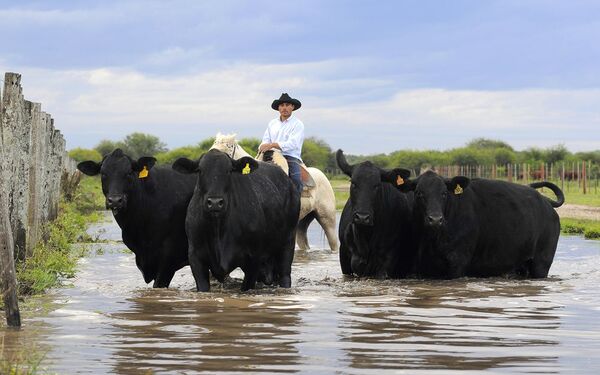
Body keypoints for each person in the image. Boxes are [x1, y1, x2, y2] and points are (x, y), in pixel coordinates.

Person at [259, 93, 305, 195]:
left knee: (296, 180)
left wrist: (273, 145)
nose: (284, 108)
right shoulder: (272, 123)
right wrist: (263, 146)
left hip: (290, 156)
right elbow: (266, 140)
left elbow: (293, 144)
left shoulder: (297, 124)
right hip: (271, 155)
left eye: (287, 105)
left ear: (292, 107)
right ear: (278, 108)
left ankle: (296, 203)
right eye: (282, 105)